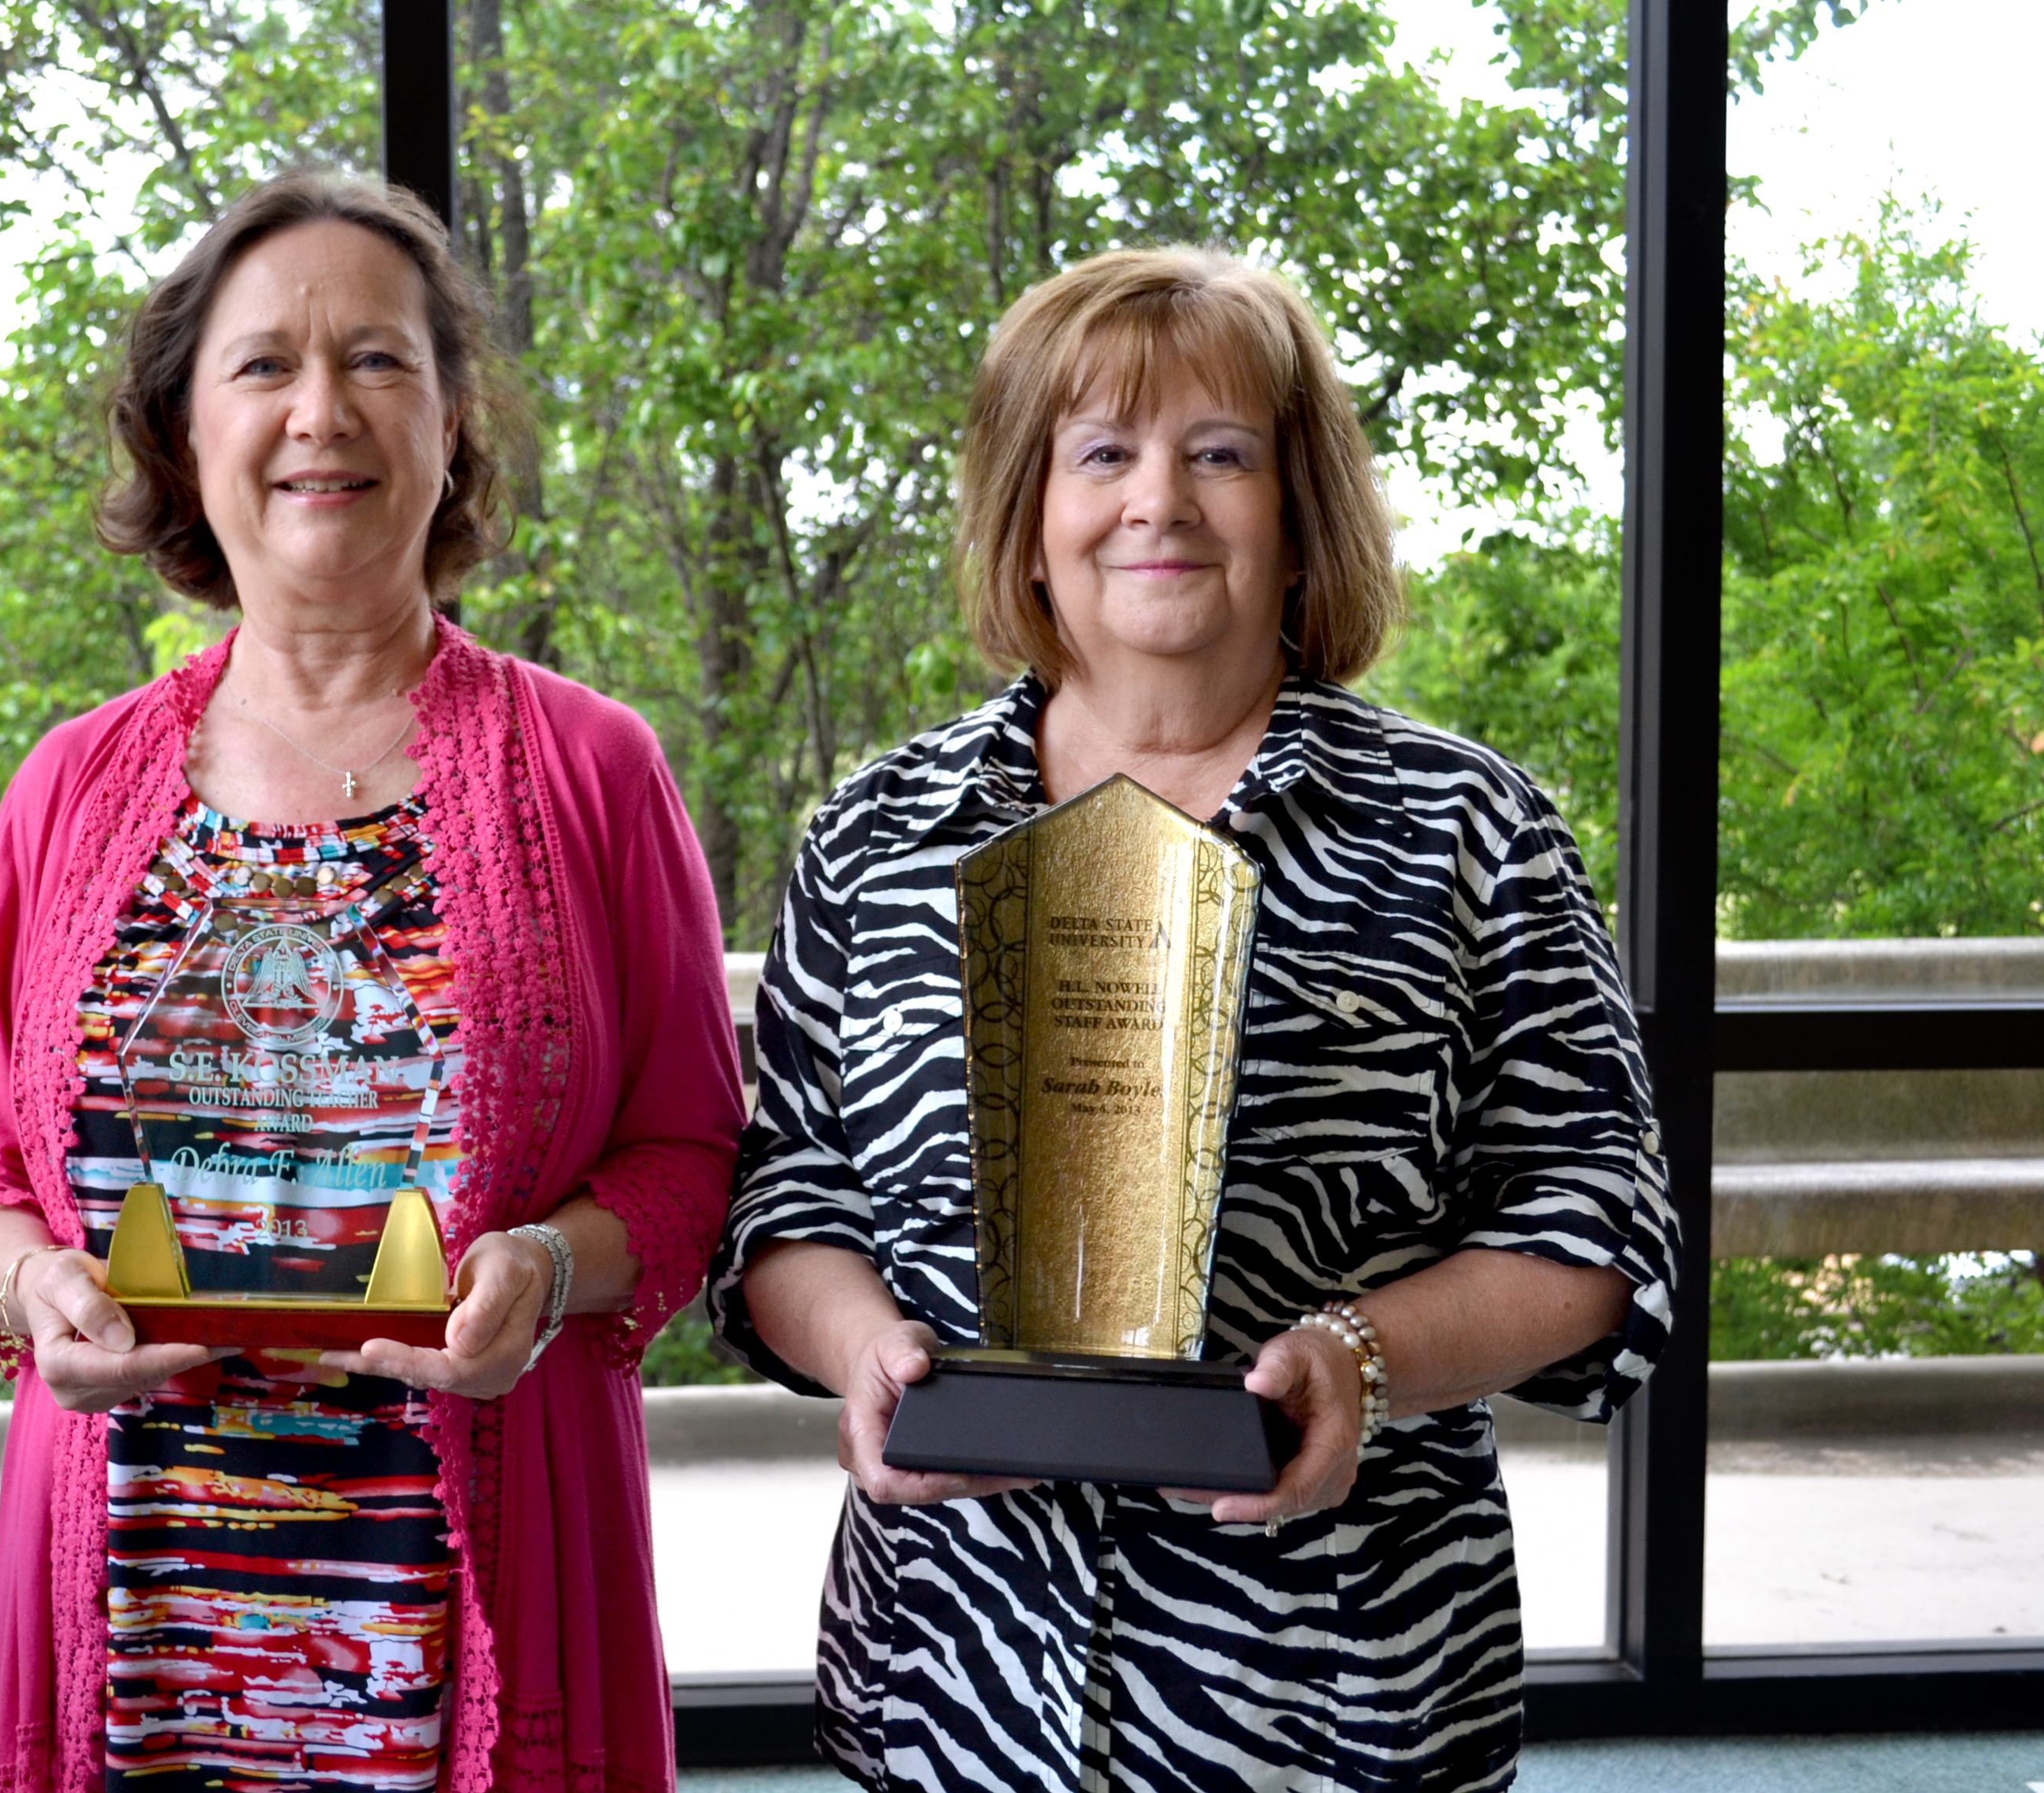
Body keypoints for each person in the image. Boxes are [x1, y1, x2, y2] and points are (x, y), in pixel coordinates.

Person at [710, 246, 1681, 1791]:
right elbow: (788, 1198)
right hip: (956, 1669)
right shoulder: (873, 835)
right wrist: (864, 1352)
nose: (1156, 502)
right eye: (1101, 453)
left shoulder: (1466, 828)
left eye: (1219, 453)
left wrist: (1358, 1352)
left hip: (1339, 1681)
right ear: (1029, 520)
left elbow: (1598, 1221)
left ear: (1300, 517)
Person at [0, 170, 743, 1793]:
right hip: (146, 1608)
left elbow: (691, 1163)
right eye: (263, 366)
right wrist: (38, 1295)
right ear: (182, 435)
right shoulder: (70, 790)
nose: (321, 413)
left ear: (450, 426)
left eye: (377, 361)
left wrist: (547, 1276)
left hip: (462, 1602)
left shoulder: (593, 771)